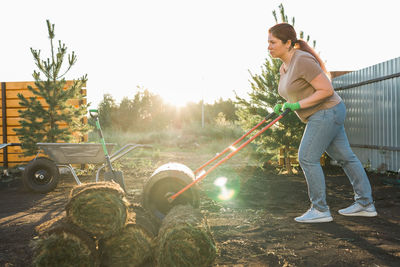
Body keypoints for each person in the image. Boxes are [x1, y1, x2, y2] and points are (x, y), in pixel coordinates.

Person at [267, 23, 377, 223]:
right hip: (324, 113)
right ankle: (365, 204)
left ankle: (320, 210)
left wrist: (296, 105)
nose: (269, 47)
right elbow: (297, 92)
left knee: (307, 157)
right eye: (268, 43)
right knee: (345, 157)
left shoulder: (302, 59)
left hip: (326, 112)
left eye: (273, 42)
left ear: (288, 43)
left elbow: (326, 90)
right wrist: (286, 105)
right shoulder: (284, 67)